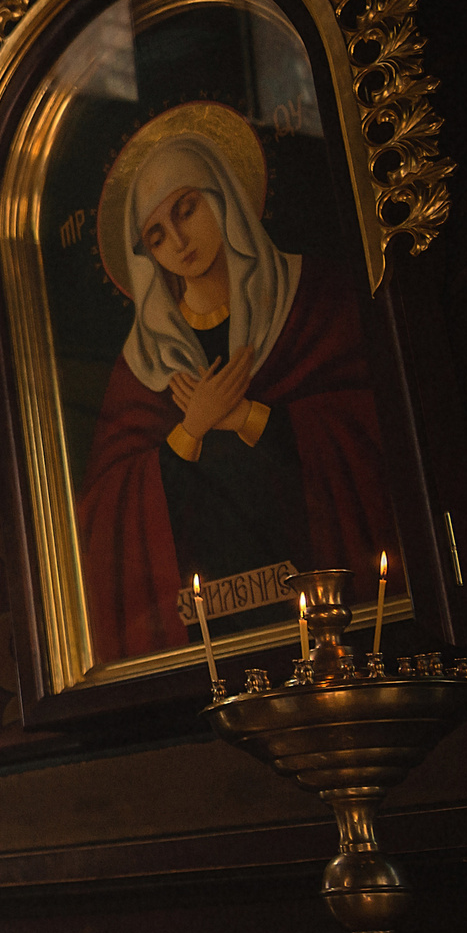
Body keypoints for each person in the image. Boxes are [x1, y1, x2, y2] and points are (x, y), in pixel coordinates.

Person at [76, 131, 389, 661]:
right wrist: (191, 428)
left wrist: (246, 416)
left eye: (186, 209)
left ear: (222, 195)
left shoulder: (312, 294)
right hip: (210, 615)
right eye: (156, 236)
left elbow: (372, 428)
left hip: (327, 600)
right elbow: (106, 510)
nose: (179, 241)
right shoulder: (142, 363)